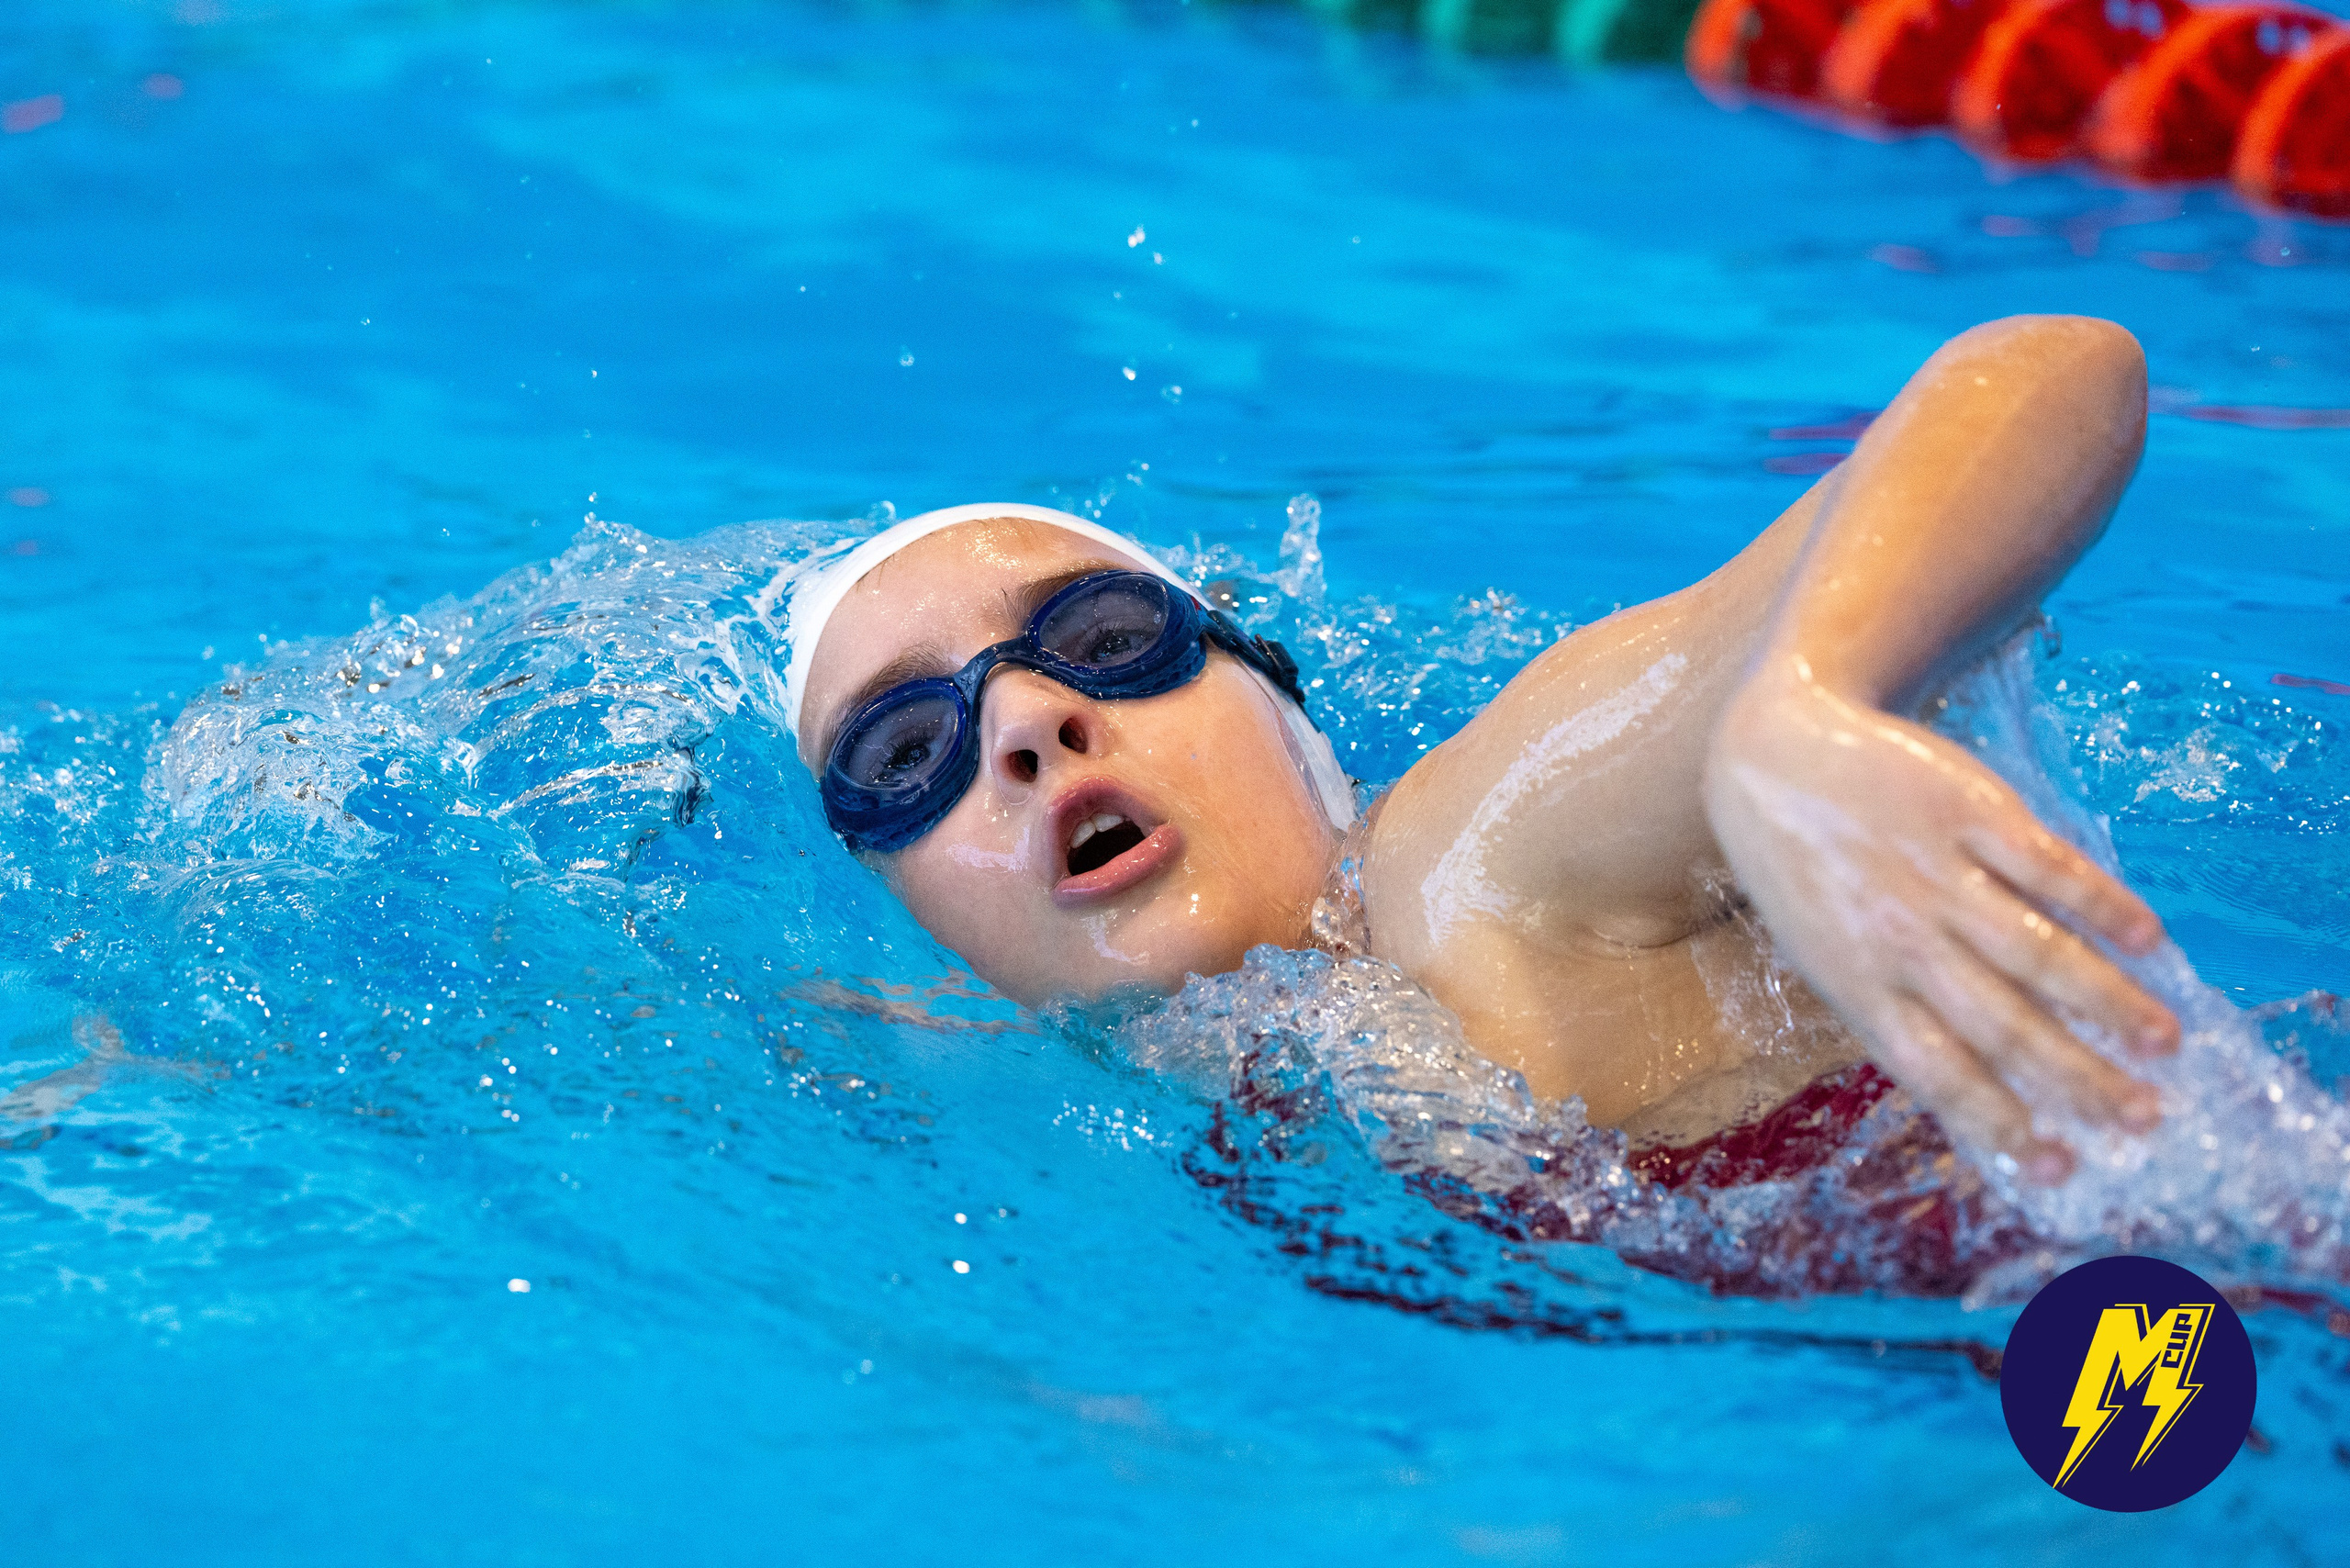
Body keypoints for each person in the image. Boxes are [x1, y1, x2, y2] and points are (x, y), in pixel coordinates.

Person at [781, 314, 2181, 1186]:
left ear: (1277, 703)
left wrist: (1800, 703)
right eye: (907, 756)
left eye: (1099, 640)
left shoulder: (1478, 858)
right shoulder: (1130, 1059)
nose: (1026, 723)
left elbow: (2058, 368)